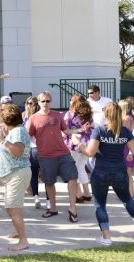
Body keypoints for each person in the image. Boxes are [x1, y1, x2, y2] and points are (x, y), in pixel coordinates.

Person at [73, 103, 134, 246]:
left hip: (101, 172)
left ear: (105, 115)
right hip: (119, 170)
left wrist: (78, 143)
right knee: (127, 199)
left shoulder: (100, 131)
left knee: (100, 205)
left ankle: (106, 237)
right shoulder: (125, 131)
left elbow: (90, 153)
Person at [26, 91, 80, 222]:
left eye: (48, 101)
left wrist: (80, 130)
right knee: (49, 182)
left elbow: (66, 131)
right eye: (43, 101)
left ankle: (72, 208)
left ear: (51, 102)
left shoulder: (57, 115)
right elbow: (26, 136)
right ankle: (53, 208)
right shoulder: (33, 118)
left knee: (73, 177)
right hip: (45, 155)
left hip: (63, 153)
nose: (45, 103)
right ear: (38, 103)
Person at [0, 104, 32, 251]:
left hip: (17, 173)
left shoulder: (17, 132)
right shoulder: (16, 131)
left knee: (12, 208)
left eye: (1, 121)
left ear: (6, 121)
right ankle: (19, 232)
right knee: (12, 208)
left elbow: (17, 151)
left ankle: (23, 241)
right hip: (14, 174)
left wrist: (4, 140)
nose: (0, 124)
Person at [63, 94, 93, 204]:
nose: (70, 102)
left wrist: (77, 131)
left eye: (71, 100)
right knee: (81, 168)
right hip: (87, 143)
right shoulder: (88, 114)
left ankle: (78, 194)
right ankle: (87, 193)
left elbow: (64, 129)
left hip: (74, 144)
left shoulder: (70, 114)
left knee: (73, 170)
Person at [23, 96, 44, 209]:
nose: (31, 105)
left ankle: (38, 197)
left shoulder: (33, 118)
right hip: (33, 148)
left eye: (32, 103)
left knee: (36, 175)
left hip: (35, 148)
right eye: (29, 103)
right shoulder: (24, 116)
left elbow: (27, 135)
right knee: (36, 174)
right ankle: (38, 197)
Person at [119, 99, 134, 195]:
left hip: (126, 146)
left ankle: (131, 193)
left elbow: (124, 134)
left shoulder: (126, 119)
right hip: (129, 145)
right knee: (127, 170)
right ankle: (130, 193)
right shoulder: (130, 117)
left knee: (127, 171)